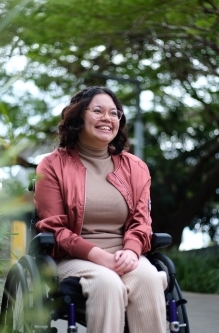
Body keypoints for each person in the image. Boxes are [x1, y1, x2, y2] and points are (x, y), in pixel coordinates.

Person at [34, 86, 167, 333]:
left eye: (114, 113)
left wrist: (131, 250)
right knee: (107, 283)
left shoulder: (135, 167)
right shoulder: (52, 165)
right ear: (78, 117)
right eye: (98, 111)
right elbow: (55, 228)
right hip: (74, 257)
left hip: (125, 254)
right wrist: (99, 257)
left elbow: (141, 220)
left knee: (149, 278)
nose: (108, 118)